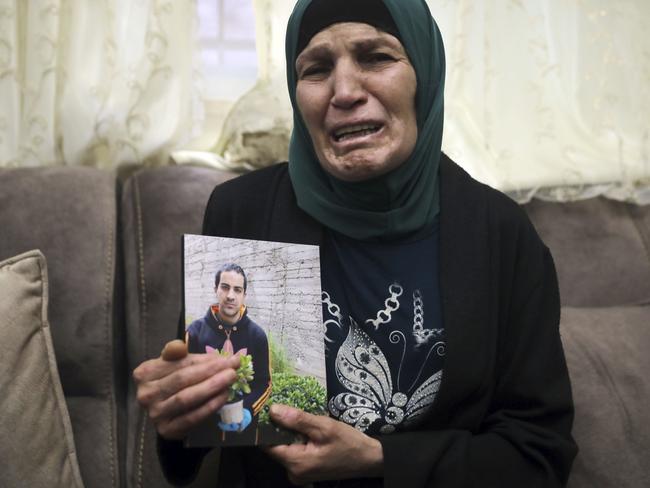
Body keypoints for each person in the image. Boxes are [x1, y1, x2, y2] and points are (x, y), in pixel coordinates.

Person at [133, 0, 577, 486]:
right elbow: (200, 437)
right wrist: (179, 414)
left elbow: (538, 453)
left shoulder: (501, 233)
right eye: (317, 69)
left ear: (424, 75)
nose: (344, 91)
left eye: (376, 57)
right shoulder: (243, 212)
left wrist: (381, 458)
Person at [185, 263, 271, 436]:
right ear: (216, 289)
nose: (231, 296)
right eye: (225, 287)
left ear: (244, 295)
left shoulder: (258, 336)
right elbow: (183, 381)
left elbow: (264, 384)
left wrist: (248, 410)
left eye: (237, 290)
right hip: (202, 432)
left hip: (243, 435)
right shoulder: (194, 332)